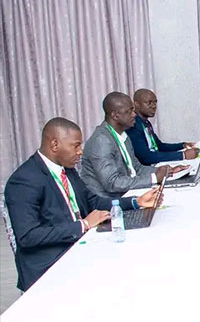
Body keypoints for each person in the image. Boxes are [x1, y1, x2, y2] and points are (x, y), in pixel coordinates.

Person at [4, 118, 161, 291]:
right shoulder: (24, 180)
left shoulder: (67, 170)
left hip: (79, 246)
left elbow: (93, 202)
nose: (81, 152)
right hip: (50, 265)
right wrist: (83, 224)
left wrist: (135, 202)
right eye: (76, 146)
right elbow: (28, 236)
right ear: (55, 144)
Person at [81, 92, 186, 198]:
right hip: (108, 202)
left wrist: (167, 171)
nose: (134, 114)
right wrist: (154, 178)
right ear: (115, 115)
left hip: (127, 194)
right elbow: (113, 183)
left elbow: (136, 168)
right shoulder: (101, 141)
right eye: (129, 111)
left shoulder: (122, 135)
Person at [127, 88, 199, 165]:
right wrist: (183, 155)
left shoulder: (146, 123)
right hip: (147, 168)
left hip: (156, 164)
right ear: (136, 104)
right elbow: (146, 157)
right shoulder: (133, 125)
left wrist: (182, 145)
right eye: (149, 103)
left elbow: (159, 146)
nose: (154, 106)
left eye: (155, 102)